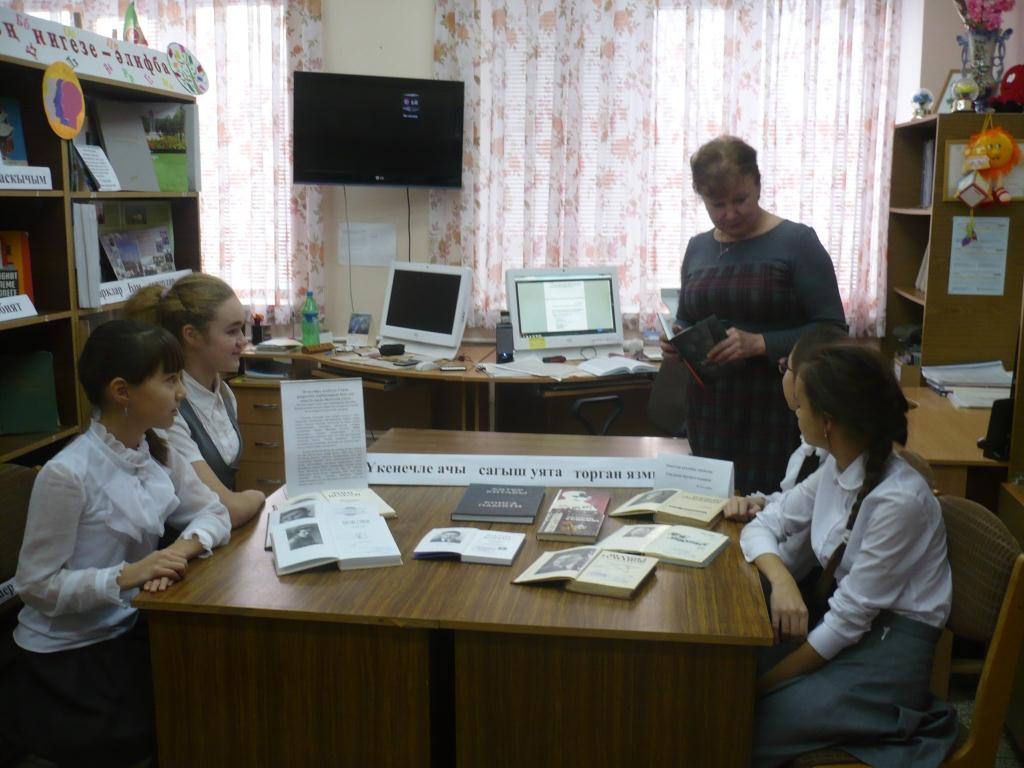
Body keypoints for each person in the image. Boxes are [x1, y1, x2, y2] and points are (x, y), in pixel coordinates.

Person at [6, 320, 232, 766]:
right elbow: (35, 585)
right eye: (170, 381)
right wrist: (130, 574)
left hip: (127, 629)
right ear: (122, 391)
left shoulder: (154, 448)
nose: (181, 393)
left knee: (207, 695)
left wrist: (177, 553)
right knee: (166, 731)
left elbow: (215, 512)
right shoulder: (68, 473)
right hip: (69, 657)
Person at [740, 343, 957, 767]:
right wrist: (782, 581)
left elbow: (845, 625)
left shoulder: (898, 501)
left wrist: (761, 688)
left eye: (801, 404)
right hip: (851, 632)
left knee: (745, 719)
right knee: (724, 674)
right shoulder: (837, 467)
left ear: (828, 422)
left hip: (889, 655)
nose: (795, 411)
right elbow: (763, 524)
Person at [660, 136, 846, 494]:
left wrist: (761, 343)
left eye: (740, 199)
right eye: (717, 204)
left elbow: (833, 330)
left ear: (758, 185)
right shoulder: (697, 248)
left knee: (770, 511)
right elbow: (686, 318)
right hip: (710, 413)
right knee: (712, 509)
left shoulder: (797, 243)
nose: (730, 213)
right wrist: (676, 340)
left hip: (778, 411)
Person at [126, 273, 264, 527]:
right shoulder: (169, 410)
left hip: (221, 537)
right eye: (232, 331)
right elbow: (226, 508)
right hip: (184, 543)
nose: (243, 341)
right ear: (192, 335)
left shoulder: (225, 393)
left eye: (242, 329)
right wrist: (261, 496)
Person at [723, 323, 848, 580]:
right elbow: (794, 502)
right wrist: (761, 503)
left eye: (785, 368)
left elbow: (794, 556)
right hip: (779, 562)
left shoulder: (831, 460)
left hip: (794, 576)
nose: (783, 376)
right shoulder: (813, 449)